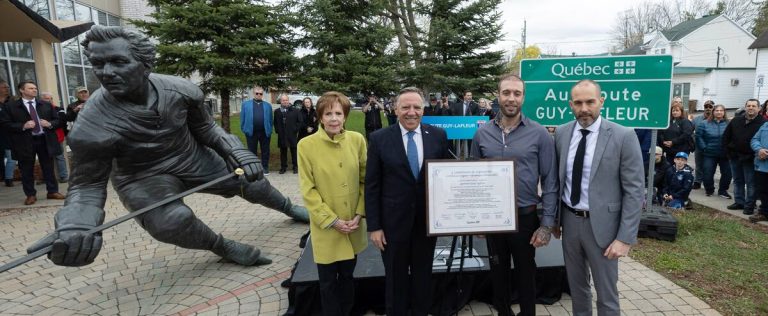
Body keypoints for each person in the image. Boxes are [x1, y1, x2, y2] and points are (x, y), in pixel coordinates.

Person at [25, 25, 309, 268]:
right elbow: (86, 186)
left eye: (118, 62)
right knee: (170, 222)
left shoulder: (181, 90)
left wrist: (236, 151)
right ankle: (222, 246)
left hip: (190, 157)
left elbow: (207, 128)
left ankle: (287, 206)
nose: (107, 72)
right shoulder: (90, 126)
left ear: (145, 64)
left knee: (251, 180)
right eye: (98, 64)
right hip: (141, 177)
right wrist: (76, 225)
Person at [469, 74, 557, 316]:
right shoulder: (482, 134)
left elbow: (550, 181)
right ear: (498, 95)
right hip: (493, 219)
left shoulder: (539, 134)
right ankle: (503, 312)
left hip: (525, 217)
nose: (511, 98)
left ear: (523, 97)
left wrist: (547, 225)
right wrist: (475, 218)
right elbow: (473, 178)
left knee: (526, 271)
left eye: (516, 93)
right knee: (497, 271)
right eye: (506, 92)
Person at [555, 79, 644, 315]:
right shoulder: (562, 133)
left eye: (590, 102)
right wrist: (554, 222)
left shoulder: (623, 135)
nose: (584, 108)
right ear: (570, 105)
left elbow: (635, 191)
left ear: (601, 102)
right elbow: (557, 180)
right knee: (577, 288)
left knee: (606, 294)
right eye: (578, 102)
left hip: (605, 228)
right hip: (570, 222)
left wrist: (625, 238)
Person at [366, 87, 451, 316]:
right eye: (405, 107)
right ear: (396, 109)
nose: (411, 112)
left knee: (423, 277)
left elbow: (446, 179)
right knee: (396, 279)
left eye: (416, 107)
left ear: (423, 109)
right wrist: (374, 227)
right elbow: (372, 186)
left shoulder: (438, 136)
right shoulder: (379, 139)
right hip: (393, 225)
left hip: (426, 224)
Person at [298, 91, 367, 316]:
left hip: (353, 225)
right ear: (320, 117)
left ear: (345, 116)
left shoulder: (357, 140)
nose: (334, 118)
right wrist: (333, 221)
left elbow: (366, 180)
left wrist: (359, 213)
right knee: (327, 282)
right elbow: (308, 190)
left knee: (348, 277)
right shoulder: (306, 146)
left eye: (339, 113)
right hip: (327, 227)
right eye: (328, 113)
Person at [0, 80, 66, 205]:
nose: (34, 90)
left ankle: (52, 191)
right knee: (26, 169)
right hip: (24, 141)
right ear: (21, 90)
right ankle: (30, 195)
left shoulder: (45, 104)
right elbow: (5, 124)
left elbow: (59, 120)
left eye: (35, 88)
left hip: (44, 140)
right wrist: (23, 126)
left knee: (48, 167)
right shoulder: (11, 106)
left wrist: (50, 124)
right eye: (30, 88)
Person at [722, 99, 764, 214]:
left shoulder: (763, 123)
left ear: (759, 109)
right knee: (737, 180)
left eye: (754, 106)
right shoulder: (736, 120)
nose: (751, 108)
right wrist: (728, 152)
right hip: (735, 156)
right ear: (745, 107)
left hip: (751, 158)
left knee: (750, 183)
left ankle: (749, 205)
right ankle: (739, 202)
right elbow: (726, 137)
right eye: (749, 105)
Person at [695, 104, 732, 198]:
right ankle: (709, 189)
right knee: (707, 173)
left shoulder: (729, 124)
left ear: (724, 112)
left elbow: (734, 137)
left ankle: (723, 191)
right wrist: (704, 148)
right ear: (713, 112)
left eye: (721, 111)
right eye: (717, 110)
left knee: (728, 174)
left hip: (725, 154)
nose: (719, 112)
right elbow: (699, 136)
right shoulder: (704, 123)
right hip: (709, 153)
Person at [240, 85, 273, 174]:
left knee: (265, 151)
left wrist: (269, 130)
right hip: (251, 132)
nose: (259, 95)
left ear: (262, 94)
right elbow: (242, 118)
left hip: (264, 132)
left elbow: (270, 119)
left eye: (260, 93)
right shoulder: (245, 105)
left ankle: (265, 167)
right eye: (257, 93)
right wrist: (244, 129)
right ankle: (253, 169)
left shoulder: (268, 106)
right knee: (251, 151)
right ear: (253, 94)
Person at [39, 92, 69, 183]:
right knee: (45, 158)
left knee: (60, 157)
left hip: (57, 136)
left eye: (51, 98)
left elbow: (61, 121)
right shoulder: (37, 110)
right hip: (43, 137)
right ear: (41, 100)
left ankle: (64, 176)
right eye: (47, 99)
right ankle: (46, 177)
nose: (50, 100)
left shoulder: (58, 109)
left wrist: (49, 124)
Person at [274, 94, 302, 174]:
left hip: (292, 134)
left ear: (288, 101)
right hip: (282, 135)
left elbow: (300, 122)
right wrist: (278, 131)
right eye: (283, 100)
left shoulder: (295, 111)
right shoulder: (277, 111)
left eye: (286, 100)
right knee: (283, 152)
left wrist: (295, 130)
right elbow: (275, 123)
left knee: (294, 151)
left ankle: (295, 167)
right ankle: (283, 167)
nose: (285, 102)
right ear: (281, 101)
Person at [692, 100, 714, 189]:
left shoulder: (715, 119)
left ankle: (708, 183)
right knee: (699, 165)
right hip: (699, 146)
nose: (708, 109)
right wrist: (694, 140)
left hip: (711, 146)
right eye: (706, 107)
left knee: (709, 166)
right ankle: (697, 181)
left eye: (710, 107)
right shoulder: (696, 119)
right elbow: (690, 131)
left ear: (713, 108)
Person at [750, 121, 768, 223]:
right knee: (763, 190)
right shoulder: (765, 125)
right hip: (762, 165)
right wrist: (759, 149)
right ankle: (764, 213)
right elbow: (754, 140)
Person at [0, 79, 16, 187]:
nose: (7, 89)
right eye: (4, 87)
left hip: (10, 134)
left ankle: (8, 179)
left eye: (8, 87)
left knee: (11, 157)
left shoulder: (12, 102)